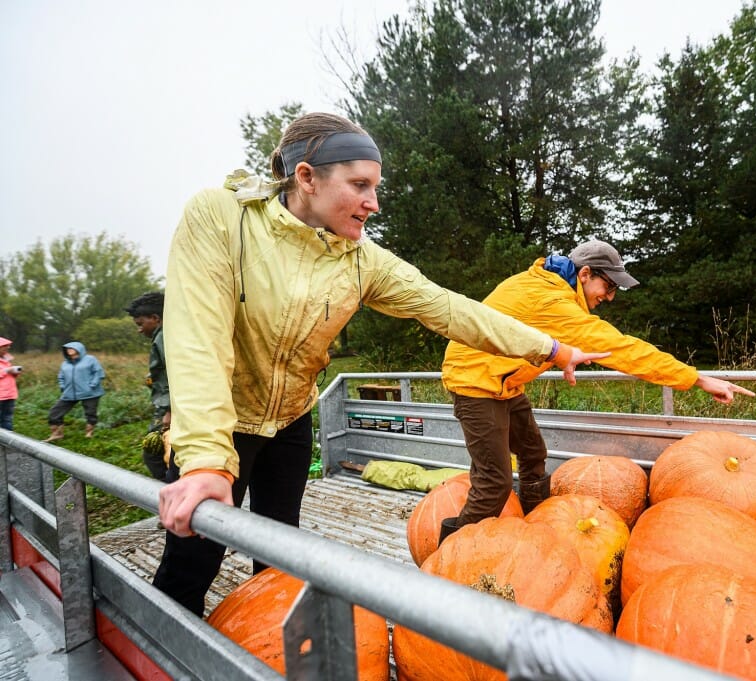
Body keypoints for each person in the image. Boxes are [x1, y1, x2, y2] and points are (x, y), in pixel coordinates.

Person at [154, 111, 608, 617]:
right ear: (307, 178)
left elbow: (452, 309)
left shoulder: (360, 259)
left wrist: (550, 348)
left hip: (290, 420)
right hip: (221, 422)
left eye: (376, 186)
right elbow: (199, 340)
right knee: (194, 556)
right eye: (360, 185)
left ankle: (272, 646)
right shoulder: (221, 218)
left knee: (280, 550)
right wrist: (206, 459)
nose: (374, 202)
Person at [439, 240, 756, 540]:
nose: (610, 296)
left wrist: (558, 357)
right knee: (495, 481)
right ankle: (450, 559)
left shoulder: (547, 287)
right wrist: (697, 379)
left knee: (533, 453)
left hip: (504, 381)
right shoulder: (552, 300)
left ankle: (533, 524)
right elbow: (623, 350)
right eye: (608, 286)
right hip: (476, 382)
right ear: (585, 273)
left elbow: (526, 331)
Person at [125, 292, 172, 480]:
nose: (139, 330)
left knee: (153, 452)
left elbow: (175, 374)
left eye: (140, 324)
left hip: (169, 409)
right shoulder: (165, 335)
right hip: (168, 406)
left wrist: (170, 410)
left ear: (155, 318)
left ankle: (170, 491)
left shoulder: (163, 338)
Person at [44, 341, 106, 441]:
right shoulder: (65, 363)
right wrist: (62, 386)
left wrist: (92, 385)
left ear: (79, 349)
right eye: (67, 349)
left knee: (90, 413)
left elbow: (98, 372)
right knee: (55, 412)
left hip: (90, 392)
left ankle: (89, 433)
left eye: (71, 348)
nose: (69, 350)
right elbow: (61, 376)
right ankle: (57, 434)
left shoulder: (90, 359)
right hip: (69, 392)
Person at [0, 337, 21, 431]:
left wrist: (15, 372)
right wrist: (7, 370)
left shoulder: (7, 361)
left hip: (10, 395)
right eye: (4, 347)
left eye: (8, 347)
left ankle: (7, 443)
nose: (7, 348)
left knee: (7, 419)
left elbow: (10, 377)